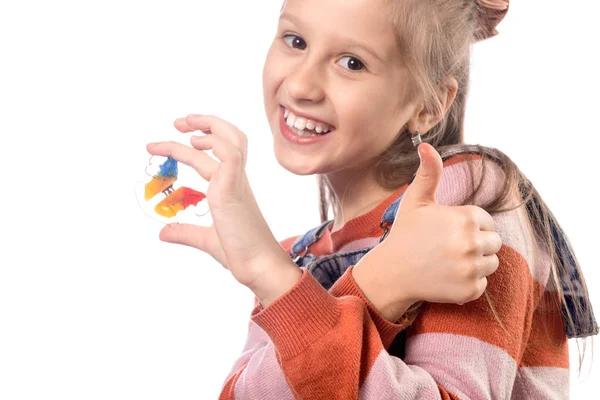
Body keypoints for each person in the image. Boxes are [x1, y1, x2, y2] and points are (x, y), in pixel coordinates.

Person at [145, 0, 598, 398]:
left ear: (429, 104)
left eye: (352, 62)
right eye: (295, 39)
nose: (301, 85)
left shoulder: (464, 201)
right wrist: (367, 284)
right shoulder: (297, 258)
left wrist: (280, 284)